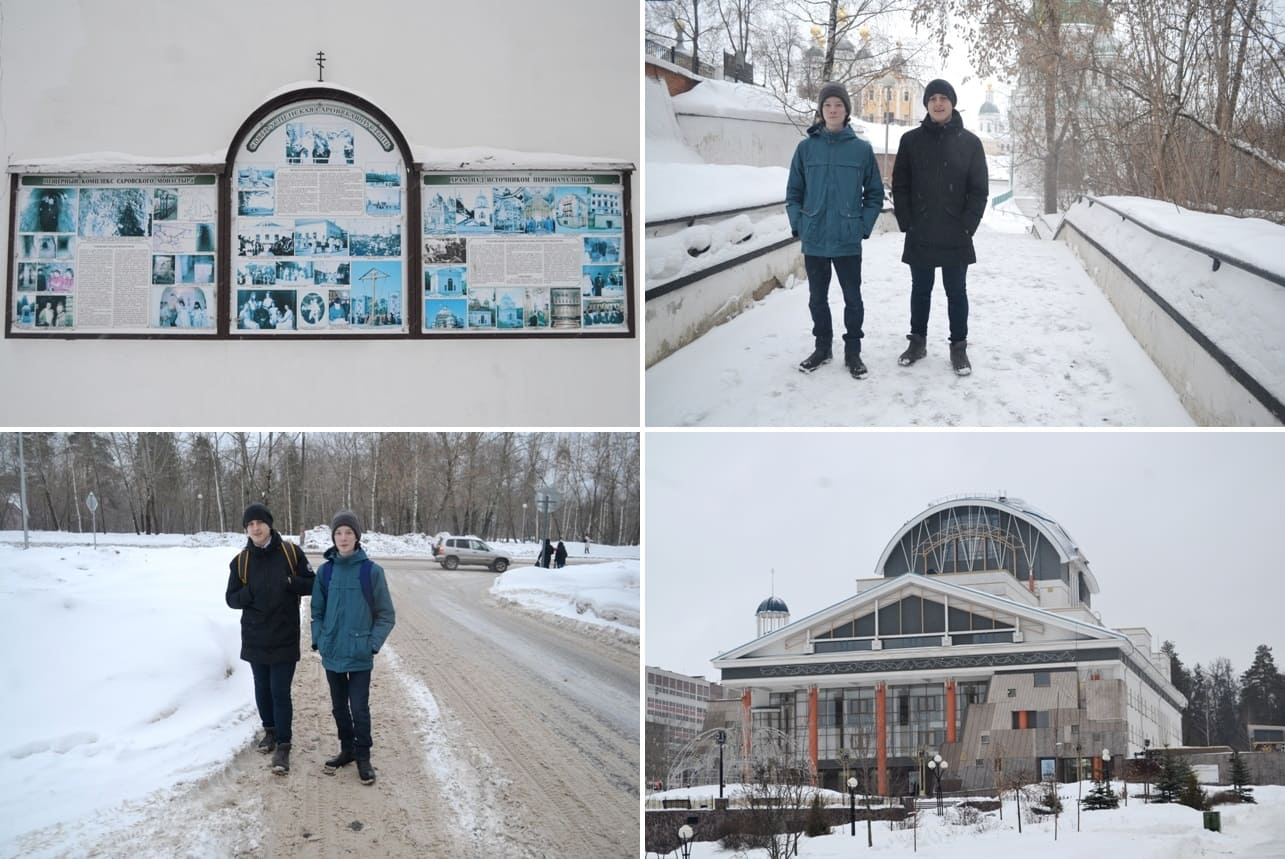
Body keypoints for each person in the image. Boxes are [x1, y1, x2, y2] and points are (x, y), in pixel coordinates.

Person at [785, 81, 885, 379]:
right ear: (821, 110)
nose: (832, 110)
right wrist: (800, 224)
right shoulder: (805, 149)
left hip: (847, 239)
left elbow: (875, 195)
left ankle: (853, 352)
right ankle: (822, 347)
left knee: (852, 298)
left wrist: (862, 226)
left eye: (838, 105)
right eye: (827, 105)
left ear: (846, 111)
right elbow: (793, 193)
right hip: (814, 237)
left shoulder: (861, 150)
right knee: (817, 298)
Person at [891, 78, 989, 376]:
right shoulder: (910, 141)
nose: (938, 103)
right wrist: (907, 221)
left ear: (952, 102)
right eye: (932, 98)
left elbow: (979, 190)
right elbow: (900, 184)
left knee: (956, 291)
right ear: (926, 105)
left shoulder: (970, 143)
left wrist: (967, 226)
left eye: (943, 98)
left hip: (955, 233)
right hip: (920, 230)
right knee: (920, 290)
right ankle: (917, 342)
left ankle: (958, 348)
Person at [224, 503, 315, 775]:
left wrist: (290, 583)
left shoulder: (290, 552)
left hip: (285, 633)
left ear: (269, 524)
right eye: (250, 524)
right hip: (254, 635)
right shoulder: (240, 561)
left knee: (279, 691)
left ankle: (284, 745)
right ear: (246, 529)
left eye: (259, 523)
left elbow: (312, 583)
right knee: (262, 689)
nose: (255, 528)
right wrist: (249, 592)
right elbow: (231, 599)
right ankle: (270, 731)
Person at [311, 510, 396, 786]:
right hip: (332, 652)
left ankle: (363, 756)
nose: (343, 538)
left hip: (360, 654)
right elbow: (317, 612)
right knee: (339, 707)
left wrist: (372, 644)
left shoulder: (371, 572)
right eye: (338, 533)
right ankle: (346, 749)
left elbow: (386, 614)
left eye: (348, 532)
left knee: (358, 707)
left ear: (357, 536)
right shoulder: (325, 572)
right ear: (333, 537)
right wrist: (319, 640)